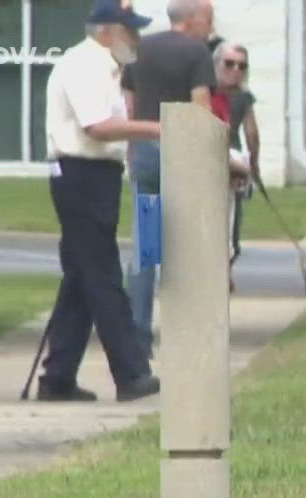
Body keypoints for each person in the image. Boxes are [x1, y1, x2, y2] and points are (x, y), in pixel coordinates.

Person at [35, 0, 162, 403]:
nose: (136, 38)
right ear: (107, 31)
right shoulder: (85, 65)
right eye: (131, 31)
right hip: (80, 173)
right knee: (103, 275)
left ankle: (57, 378)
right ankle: (131, 373)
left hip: (96, 176)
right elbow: (98, 127)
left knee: (81, 278)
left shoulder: (106, 68)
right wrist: (160, 128)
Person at [120, 0, 241, 359]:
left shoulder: (137, 50)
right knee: (187, 245)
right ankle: (185, 334)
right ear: (190, 20)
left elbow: (128, 104)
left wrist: (132, 149)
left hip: (144, 153)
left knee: (146, 246)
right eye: (208, 19)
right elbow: (200, 107)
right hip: (183, 155)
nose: (211, 26)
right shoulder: (196, 52)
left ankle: (138, 337)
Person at [212, 41, 260, 277]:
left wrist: (253, 165)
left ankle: (222, 271)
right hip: (215, 160)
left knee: (231, 218)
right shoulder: (206, 92)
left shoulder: (243, 97)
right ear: (216, 64)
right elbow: (251, 133)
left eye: (242, 66)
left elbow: (252, 134)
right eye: (229, 63)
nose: (235, 70)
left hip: (233, 161)